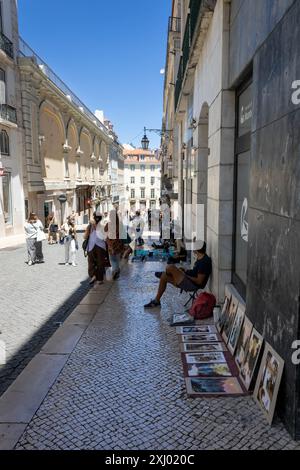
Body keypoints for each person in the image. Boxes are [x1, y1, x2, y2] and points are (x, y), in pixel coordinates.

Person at [144, 241, 212, 308]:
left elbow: (199, 281)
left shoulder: (204, 262)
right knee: (163, 276)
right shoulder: (200, 258)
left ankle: (172, 276)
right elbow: (195, 272)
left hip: (192, 285)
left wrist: (185, 275)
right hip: (188, 280)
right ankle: (156, 301)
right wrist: (186, 271)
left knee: (170, 267)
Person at [84, 212, 110, 285]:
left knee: (92, 262)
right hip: (100, 246)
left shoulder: (92, 226)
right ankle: (99, 279)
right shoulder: (103, 225)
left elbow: (85, 236)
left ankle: (94, 276)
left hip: (92, 246)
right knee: (100, 263)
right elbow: (106, 237)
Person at [104, 209, 125, 280]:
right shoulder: (120, 224)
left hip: (111, 244)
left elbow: (105, 230)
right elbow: (123, 233)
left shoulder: (108, 224)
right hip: (118, 244)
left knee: (112, 260)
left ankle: (115, 271)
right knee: (117, 259)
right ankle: (116, 271)